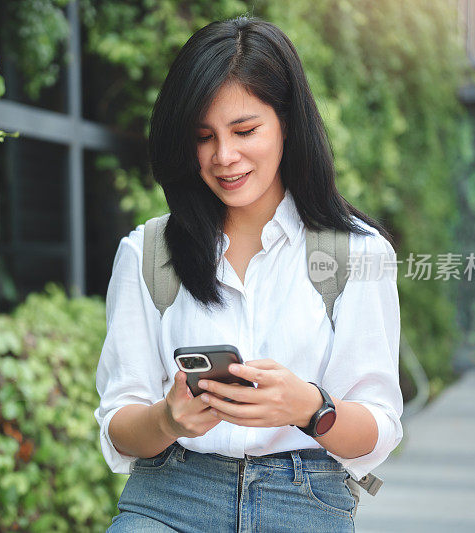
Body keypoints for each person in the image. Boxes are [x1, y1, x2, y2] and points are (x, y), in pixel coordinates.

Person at [94, 15, 402, 533]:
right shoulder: (147, 251)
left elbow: (378, 428)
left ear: (288, 122)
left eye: (245, 130)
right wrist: (167, 419)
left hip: (305, 500)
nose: (224, 157)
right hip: (171, 497)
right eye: (203, 137)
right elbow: (120, 426)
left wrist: (310, 407)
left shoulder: (358, 252)